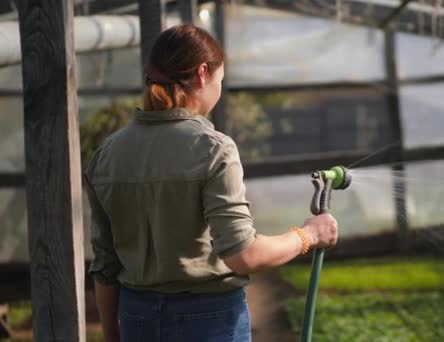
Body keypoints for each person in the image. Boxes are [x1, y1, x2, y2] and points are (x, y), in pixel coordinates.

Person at [85, 24, 338, 342]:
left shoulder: (107, 154)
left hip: (137, 318)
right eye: (220, 79)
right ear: (203, 74)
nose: (219, 89)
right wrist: (309, 235)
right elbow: (242, 254)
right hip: (208, 321)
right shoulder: (212, 148)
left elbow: (106, 265)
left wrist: (111, 336)